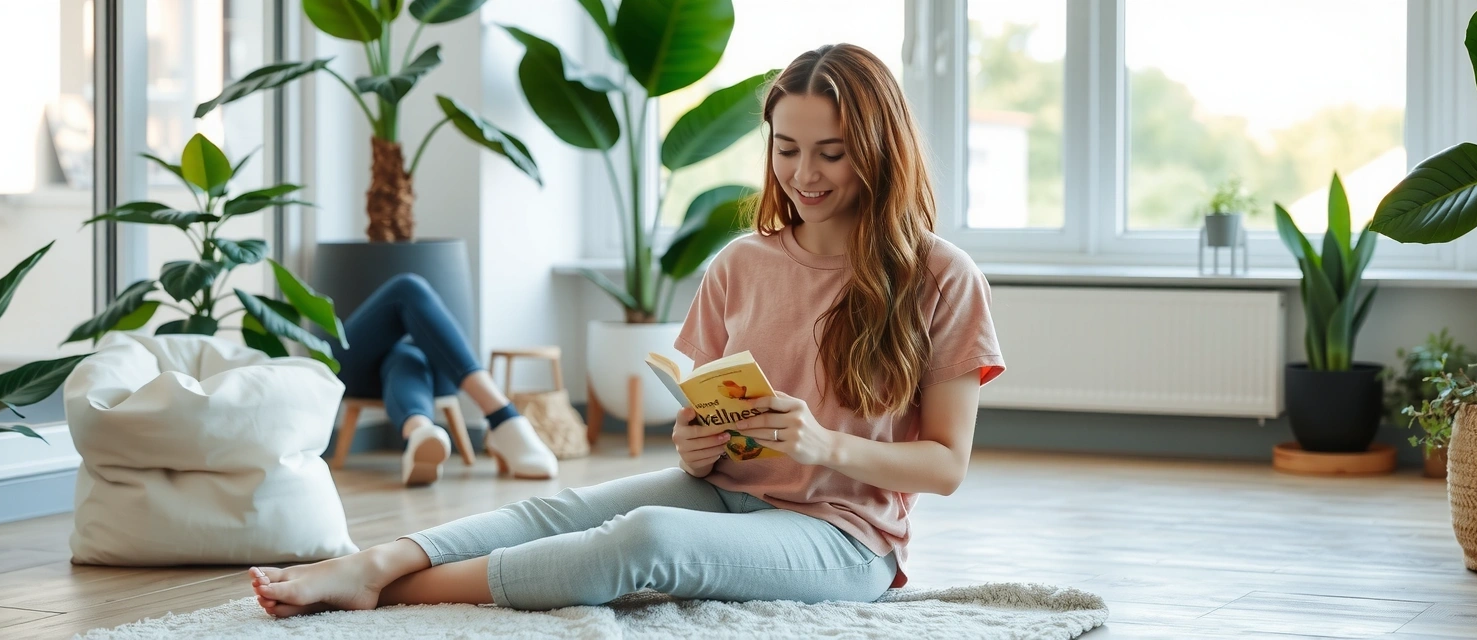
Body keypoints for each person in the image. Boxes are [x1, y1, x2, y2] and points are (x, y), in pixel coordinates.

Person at [250, 43, 1003, 615]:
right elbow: (697, 421)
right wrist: (694, 440)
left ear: (878, 150)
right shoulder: (740, 263)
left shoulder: (941, 276)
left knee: (643, 541)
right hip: (728, 491)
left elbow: (946, 465)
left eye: (831, 153)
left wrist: (824, 446)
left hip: (844, 539)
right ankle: (379, 558)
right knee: (560, 510)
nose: (805, 174)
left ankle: (389, 591)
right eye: (787, 149)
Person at [334, 273, 558, 486]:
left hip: (408, 361)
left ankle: (419, 432)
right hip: (351, 366)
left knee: (407, 357)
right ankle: (502, 416)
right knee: (407, 288)